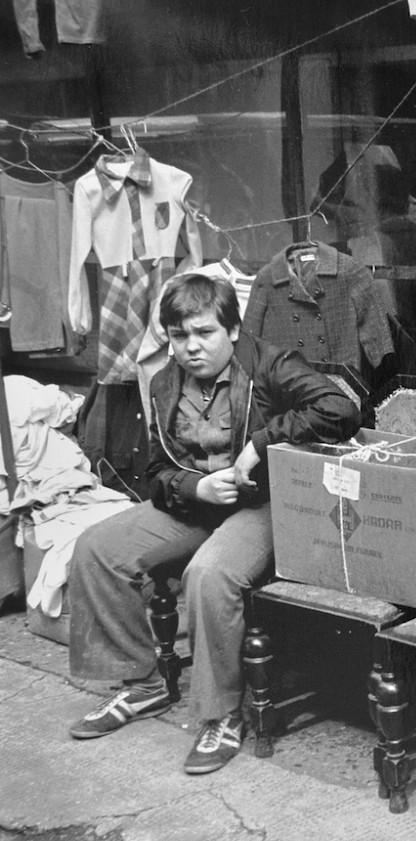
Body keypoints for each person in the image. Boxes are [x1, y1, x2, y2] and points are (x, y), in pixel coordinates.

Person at [66, 274, 361, 774]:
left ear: (232, 328)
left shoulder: (269, 364)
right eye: (179, 337)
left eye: (204, 333)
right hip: (197, 505)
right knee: (95, 548)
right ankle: (144, 685)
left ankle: (220, 714)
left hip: (263, 504)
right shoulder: (163, 383)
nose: (191, 348)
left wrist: (260, 444)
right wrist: (194, 488)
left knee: (209, 574)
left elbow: (342, 407)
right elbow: (156, 471)